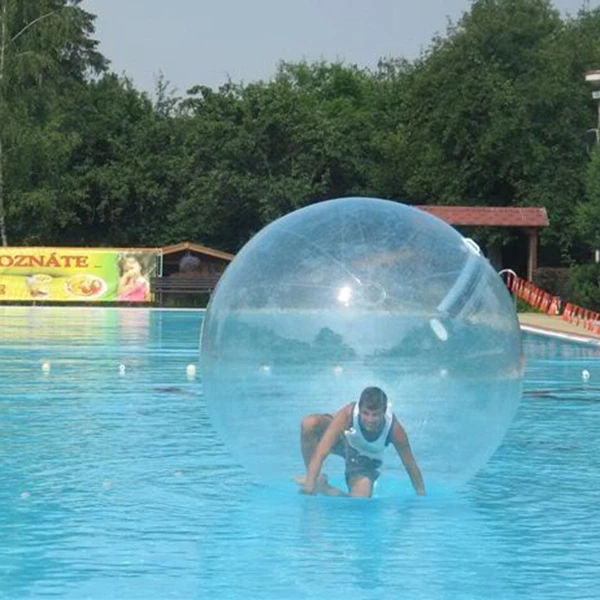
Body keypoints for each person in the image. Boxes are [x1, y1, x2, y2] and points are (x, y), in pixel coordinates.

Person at [296, 386, 426, 497]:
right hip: (344, 442)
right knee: (310, 423)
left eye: (375, 415)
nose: (369, 420)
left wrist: (421, 495)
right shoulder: (347, 414)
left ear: (384, 412)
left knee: (359, 502)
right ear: (359, 408)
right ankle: (314, 479)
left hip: (365, 459)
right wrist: (309, 488)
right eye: (365, 413)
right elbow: (321, 453)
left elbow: (410, 465)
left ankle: (327, 489)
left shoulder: (395, 430)